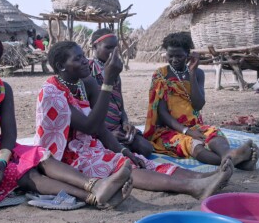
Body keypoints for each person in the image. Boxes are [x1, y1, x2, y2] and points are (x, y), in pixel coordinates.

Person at [0, 33, 132, 211]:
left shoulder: (3, 89)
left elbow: (10, 134)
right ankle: (92, 196)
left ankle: (94, 185)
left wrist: (2, 160)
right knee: (27, 176)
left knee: (41, 156)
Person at [35, 40, 234, 200]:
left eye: (83, 56)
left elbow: (101, 129)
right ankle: (192, 187)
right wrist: (108, 81)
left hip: (89, 146)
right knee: (123, 166)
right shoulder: (52, 92)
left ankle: (204, 178)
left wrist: (124, 150)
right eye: (78, 59)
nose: (85, 61)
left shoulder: (82, 84)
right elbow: (90, 126)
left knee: (141, 160)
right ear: (61, 66)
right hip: (63, 156)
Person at [144, 32, 259, 170]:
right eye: (170, 55)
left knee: (213, 133)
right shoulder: (160, 75)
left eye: (179, 56)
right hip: (168, 130)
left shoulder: (198, 73)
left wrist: (192, 73)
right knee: (192, 144)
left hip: (194, 125)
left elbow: (198, 105)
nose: (174, 59)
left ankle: (229, 155)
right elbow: (162, 113)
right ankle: (239, 162)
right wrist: (186, 131)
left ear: (188, 54)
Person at [88, 29, 155, 157]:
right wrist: (107, 134)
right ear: (95, 46)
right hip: (97, 130)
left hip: (118, 129)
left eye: (115, 48)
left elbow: (120, 106)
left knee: (146, 148)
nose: (114, 52)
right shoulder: (88, 71)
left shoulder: (114, 70)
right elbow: (85, 111)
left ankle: (119, 144)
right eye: (108, 47)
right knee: (125, 157)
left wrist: (125, 122)